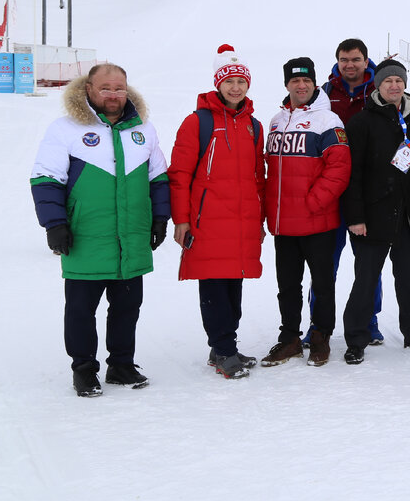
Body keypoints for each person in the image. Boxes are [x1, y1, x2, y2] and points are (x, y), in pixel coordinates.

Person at [30, 64, 170, 397]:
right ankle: (83, 370)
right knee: (80, 310)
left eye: (119, 88)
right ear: (89, 89)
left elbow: (159, 179)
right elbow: (46, 179)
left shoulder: (143, 130)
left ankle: (121, 365)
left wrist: (160, 218)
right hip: (85, 237)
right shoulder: (65, 129)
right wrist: (55, 224)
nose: (113, 94)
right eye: (105, 87)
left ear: (127, 90)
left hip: (130, 237)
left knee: (127, 306)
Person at [168, 45, 266, 380]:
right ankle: (223, 349)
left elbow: (258, 177)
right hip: (207, 222)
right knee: (213, 288)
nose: (235, 87)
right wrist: (181, 220)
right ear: (218, 83)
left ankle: (224, 346)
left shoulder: (254, 125)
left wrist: (260, 218)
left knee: (233, 289)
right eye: (229, 81)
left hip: (241, 223)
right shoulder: (198, 122)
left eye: (241, 81)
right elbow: (179, 175)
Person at [341, 59, 410, 363]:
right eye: (388, 82)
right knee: (366, 279)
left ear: (405, 84)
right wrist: (355, 217)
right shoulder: (361, 122)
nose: (394, 86)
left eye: (399, 81)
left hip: (408, 217)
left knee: (408, 277)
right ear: (378, 86)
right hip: (372, 217)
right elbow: (352, 174)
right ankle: (356, 337)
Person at [259, 57, 351, 368]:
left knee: (322, 283)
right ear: (287, 85)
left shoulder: (328, 120)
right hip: (284, 224)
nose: (301, 85)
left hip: (317, 221)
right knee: (287, 284)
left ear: (314, 83)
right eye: (295, 81)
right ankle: (290, 339)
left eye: (306, 81)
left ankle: (321, 336)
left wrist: (312, 203)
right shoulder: (275, 120)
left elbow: (339, 169)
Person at [312, 38, 383, 347]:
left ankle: (369, 320)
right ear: (337, 61)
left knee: (368, 264)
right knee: (324, 264)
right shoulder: (324, 95)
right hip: (332, 193)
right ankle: (317, 324)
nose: (350, 64)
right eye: (344, 59)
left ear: (367, 61)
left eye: (356, 59)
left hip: (368, 194)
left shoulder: (379, 93)